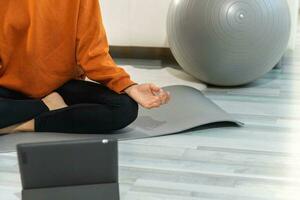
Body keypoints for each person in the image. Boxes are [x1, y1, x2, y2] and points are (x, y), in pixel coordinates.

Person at [0, 0, 170, 134]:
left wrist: (129, 86)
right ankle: (47, 106)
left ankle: (20, 125)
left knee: (124, 108)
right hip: (8, 86)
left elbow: (93, 52)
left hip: (59, 87)